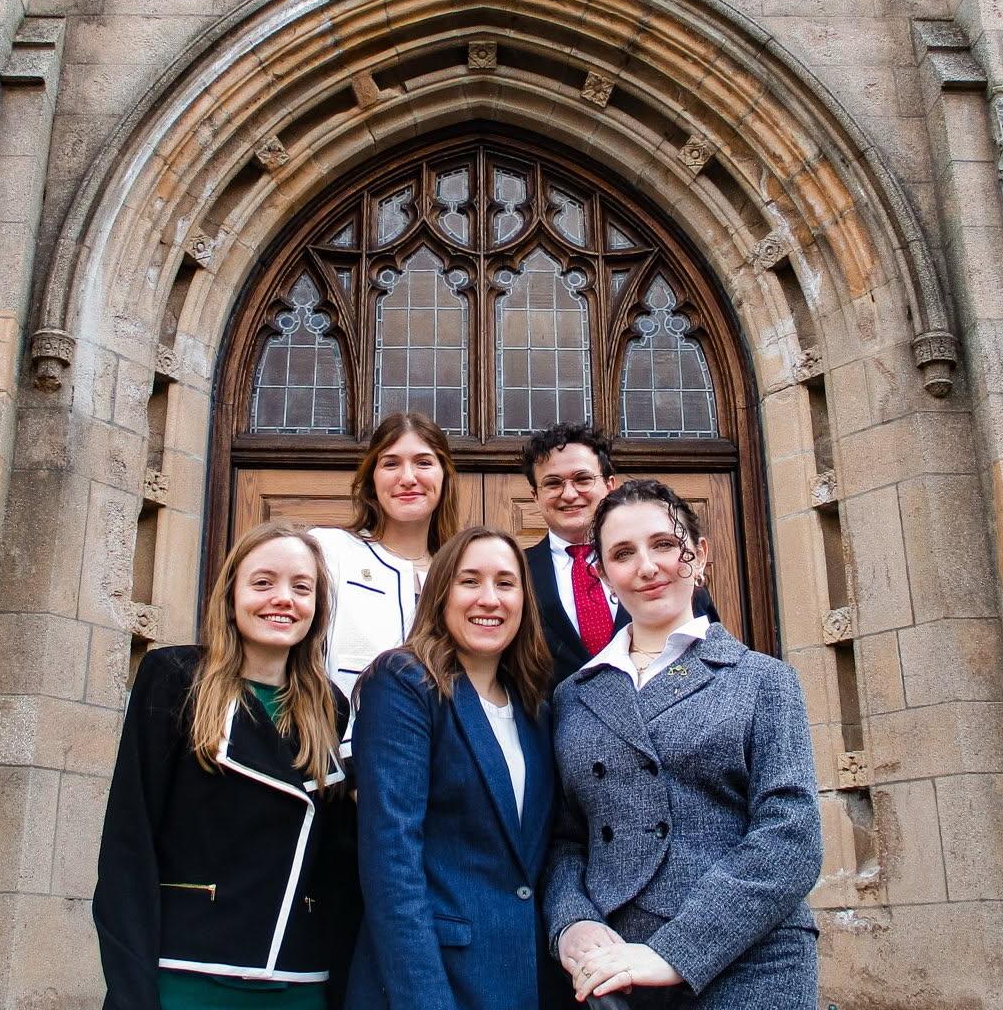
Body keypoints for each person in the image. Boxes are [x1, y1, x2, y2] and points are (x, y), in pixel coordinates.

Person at [543, 480, 821, 1010]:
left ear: (700, 556)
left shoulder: (764, 680)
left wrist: (676, 952)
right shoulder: (573, 697)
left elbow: (791, 837)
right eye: (623, 554)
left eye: (664, 545)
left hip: (751, 963)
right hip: (613, 969)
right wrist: (571, 922)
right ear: (600, 574)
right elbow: (563, 840)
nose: (647, 567)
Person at [94, 522, 357, 1010]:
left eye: (302, 588)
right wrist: (131, 991)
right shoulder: (174, 679)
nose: (283, 599)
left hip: (299, 980)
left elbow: (336, 866)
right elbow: (129, 842)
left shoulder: (331, 707)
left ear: (317, 607)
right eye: (263, 583)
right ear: (231, 594)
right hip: (186, 973)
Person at [345, 526, 558, 1010]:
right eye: (469, 581)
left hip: (526, 978)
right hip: (434, 979)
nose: (490, 598)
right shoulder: (404, 683)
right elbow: (391, 854)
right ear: (440, 593)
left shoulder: (536, 710)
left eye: (506, 583)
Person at [519, 423, 717, 688]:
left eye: (582, 479)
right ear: (535, 496)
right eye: (553, 484)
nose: (569, 494)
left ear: (609, 485)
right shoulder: (516, 574)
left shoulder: (674, 575)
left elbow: (714, 662)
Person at [312, 412, 462, 697]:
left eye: (423, 463)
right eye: (391, 463)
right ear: (372, 478)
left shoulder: (463, 571)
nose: (407, 478)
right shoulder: (330, 551)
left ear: (444, 476)